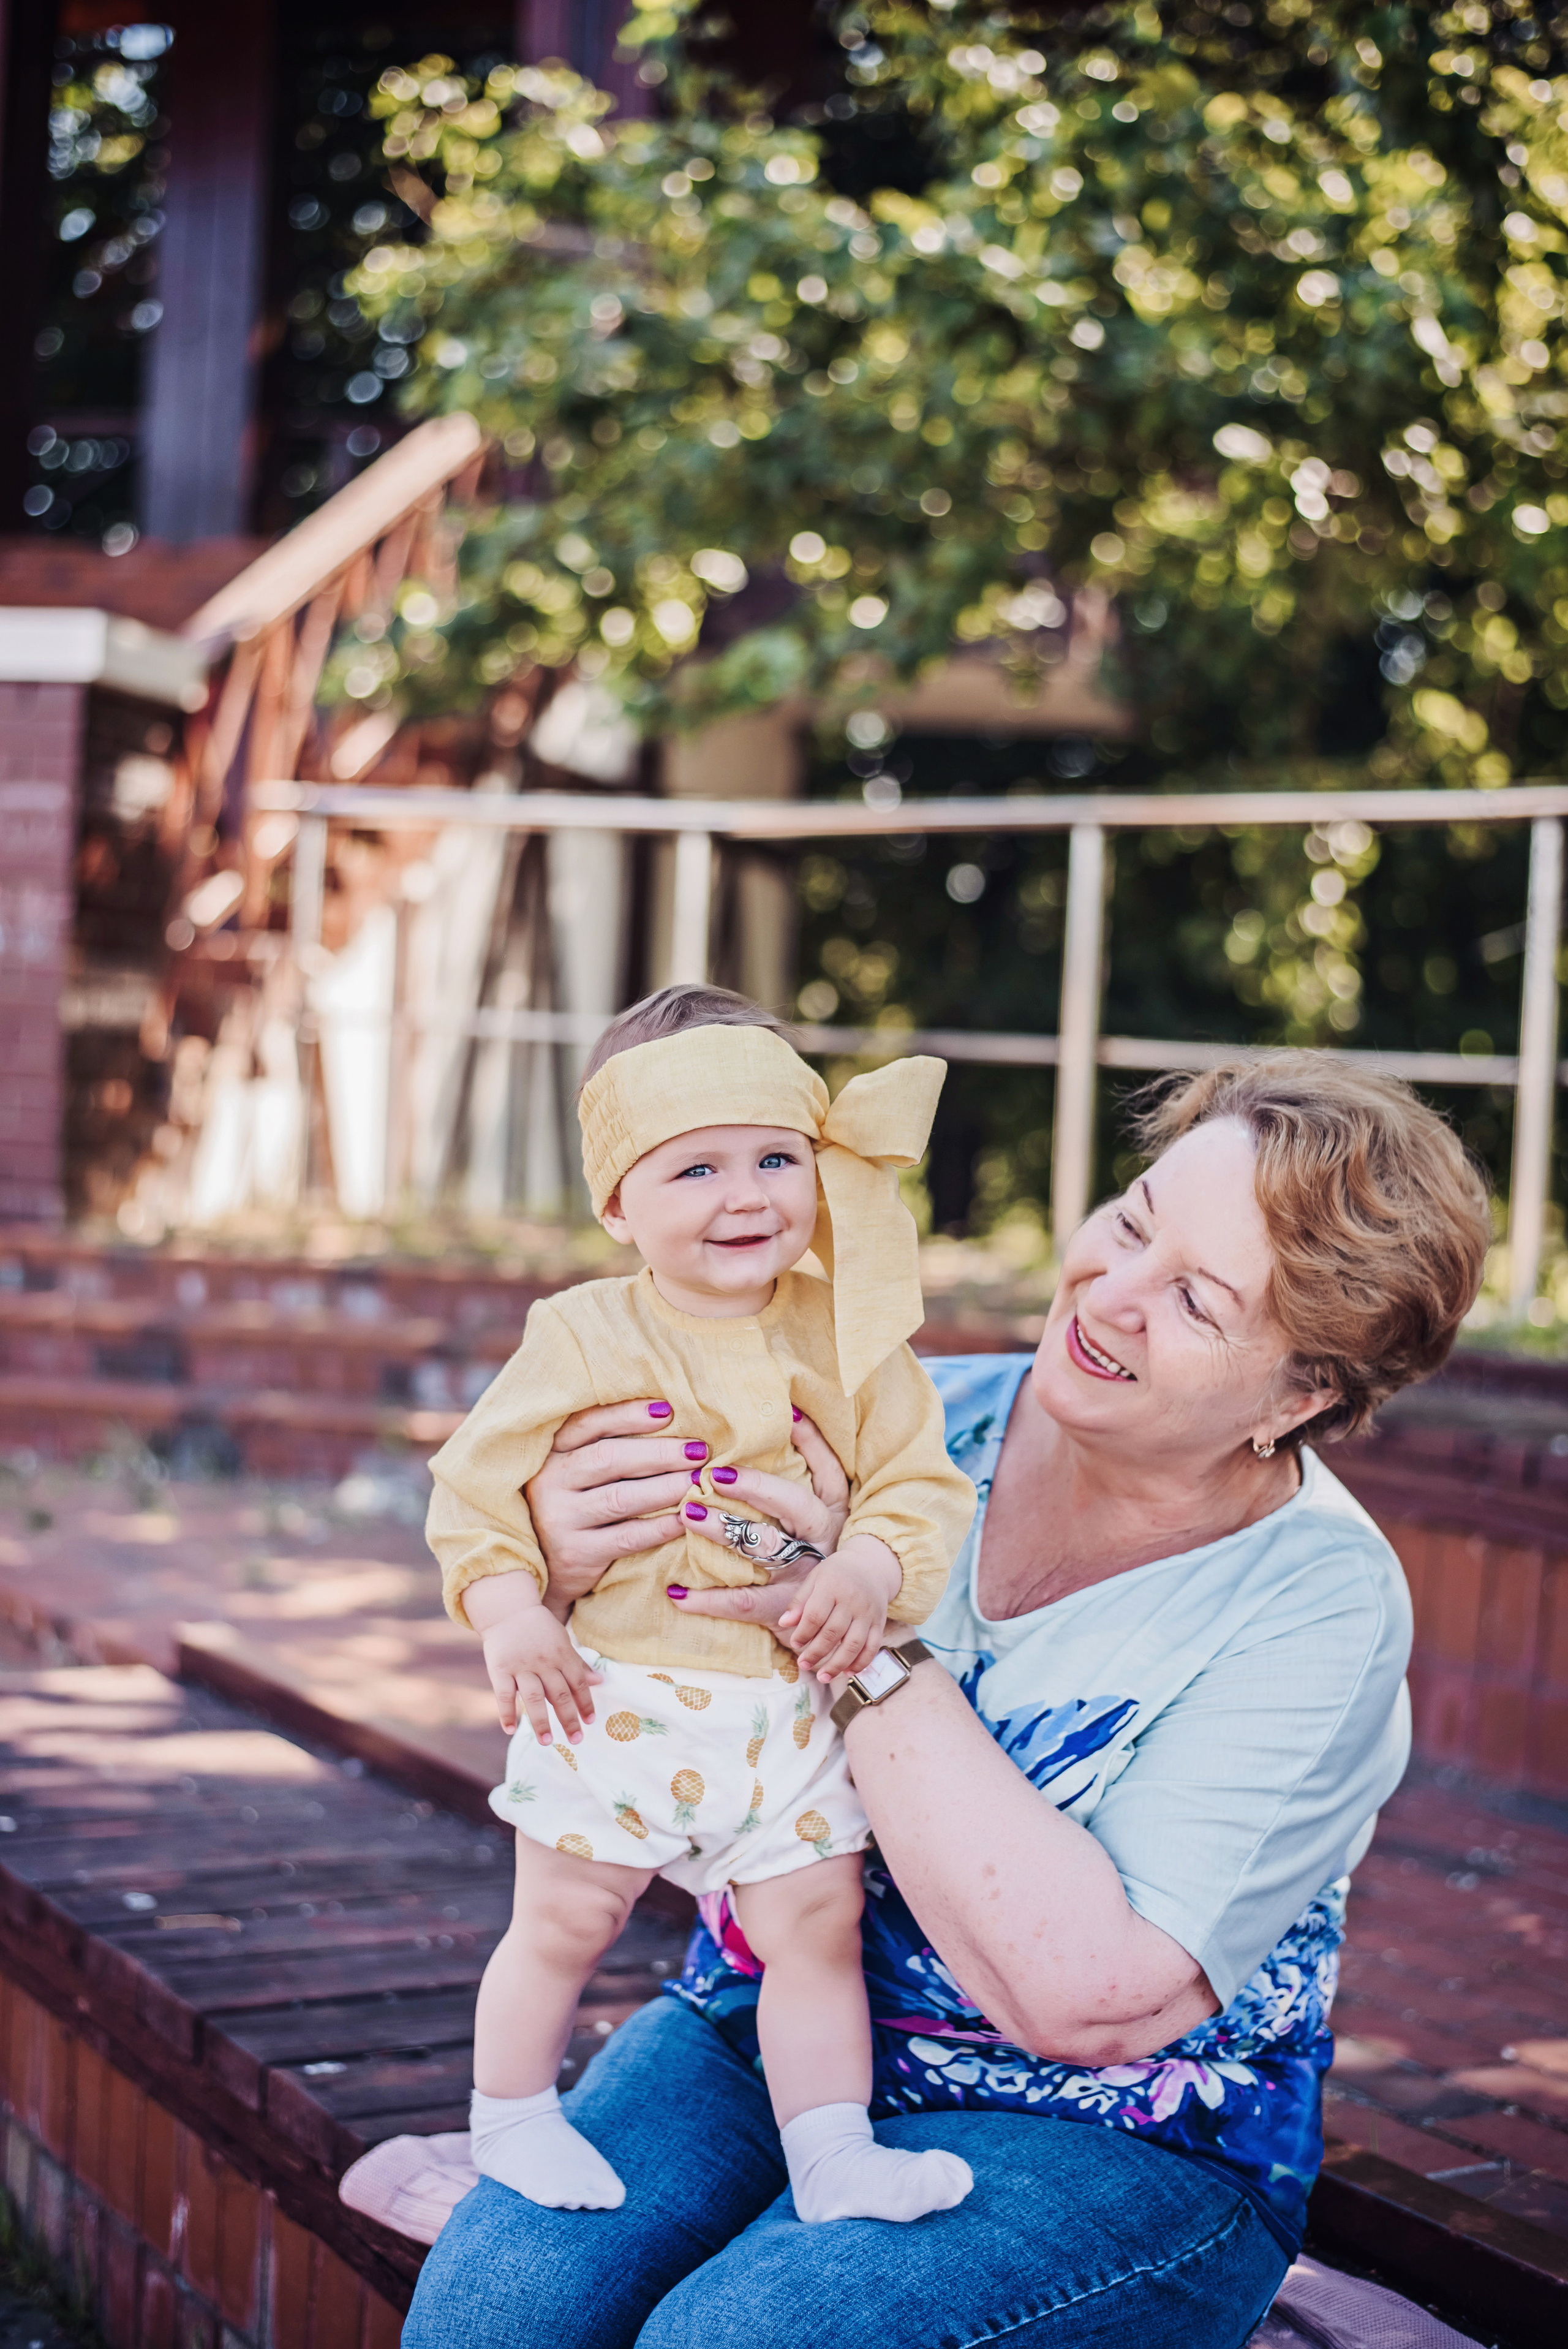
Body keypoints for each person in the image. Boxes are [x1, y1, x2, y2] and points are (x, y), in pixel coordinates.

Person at [401, 1052, 1490, 2349]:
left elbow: (1090, 2002)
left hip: (1115, 2135)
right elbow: (615, 1689)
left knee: (741, 2340)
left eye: (1196, 1299)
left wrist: (841, 1617)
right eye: (1134, 1221)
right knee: (498, 2305)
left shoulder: (1314, 1605)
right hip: (775, 2018)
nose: (1113, 1293)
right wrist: (557, 1564)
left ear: (1298, 1395)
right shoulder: (901, 1422)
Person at [423, 987, 977, 2225]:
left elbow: (916, 1489)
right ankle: (508, 2118)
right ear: (616, 1202)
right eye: (696, 1169)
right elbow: (476, 1492)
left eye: (777, 1158)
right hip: (610, 1689)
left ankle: (832, 2154)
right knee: (564, 1915)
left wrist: (867, 1570)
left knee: (815, 1926)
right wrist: (512, 1615)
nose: (746, 1197)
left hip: (781, 1709)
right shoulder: (579, 1334)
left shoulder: (849, 1338)